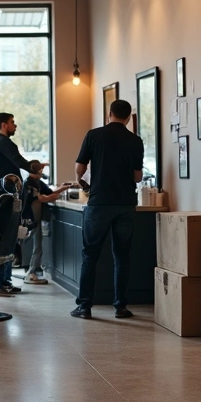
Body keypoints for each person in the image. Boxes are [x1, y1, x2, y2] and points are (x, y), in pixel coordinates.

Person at [72, 99, 144, 320]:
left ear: (109, 113)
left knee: (90, 255)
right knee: (122, 256)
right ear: (129, 117)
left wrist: (83, 183)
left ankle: (84, 307)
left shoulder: (93, 135)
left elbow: (80, 167)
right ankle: (120, 306)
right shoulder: (135, 140)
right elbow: (138, 176)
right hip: (125, 204)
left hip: (99, 203)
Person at [0, 113, 42, 296]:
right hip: (3, 198)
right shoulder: (3, 142)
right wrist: (35, 167)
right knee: (3, 240)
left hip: (1, 196)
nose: (15, 126)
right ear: (3, 125)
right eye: (12, 123)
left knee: (3, 239)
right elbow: (20, 162)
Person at [21, 160, 64, 284]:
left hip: (35, 218)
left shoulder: (37, 183)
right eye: (41, 169)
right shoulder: (29, 184)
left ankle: (32, 270)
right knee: (36, 244)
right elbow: (42, 198)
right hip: (31, 218)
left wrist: (66, 187)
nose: (42, 172)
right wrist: (55, 196)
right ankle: (31, 271)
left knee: (37, 244)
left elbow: (50, 193)